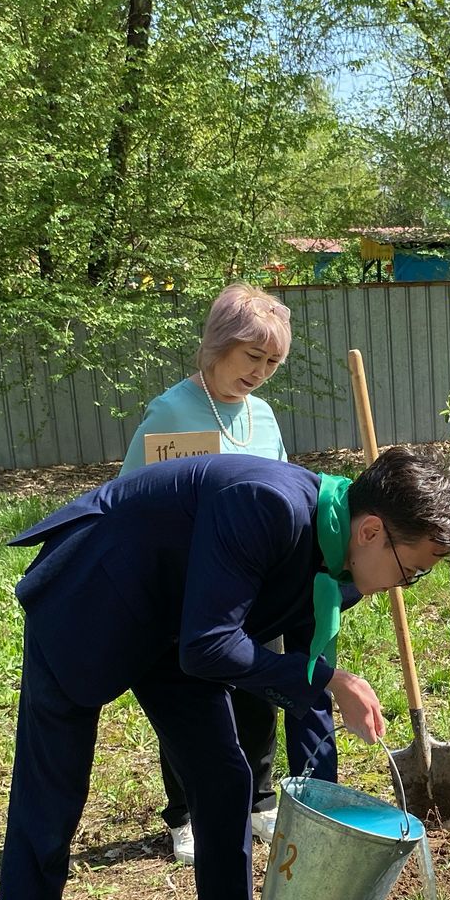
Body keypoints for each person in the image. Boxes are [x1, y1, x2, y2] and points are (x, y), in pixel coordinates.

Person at [0, 447, 450, 900]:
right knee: (47, 822)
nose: (403, 585)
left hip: (177, 621)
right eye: (411, 570)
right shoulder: (268, 504)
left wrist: (321, 802)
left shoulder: (337, 554)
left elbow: (308, 664)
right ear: (371, 532)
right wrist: (326, 683)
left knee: (224, 784)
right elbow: (217, 649)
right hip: (95, 602)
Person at [120, 283, 334, 866]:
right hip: (188, 582)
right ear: (217, 346)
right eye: (252, 358)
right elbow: (134, 499)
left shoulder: (262, 415)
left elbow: (284, 485)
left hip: (255, 581)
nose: (261, 373)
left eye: (272, 363)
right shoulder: (171, 411)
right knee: (193, 696)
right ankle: (186, 812)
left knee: (260, 687)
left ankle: (260, 798)